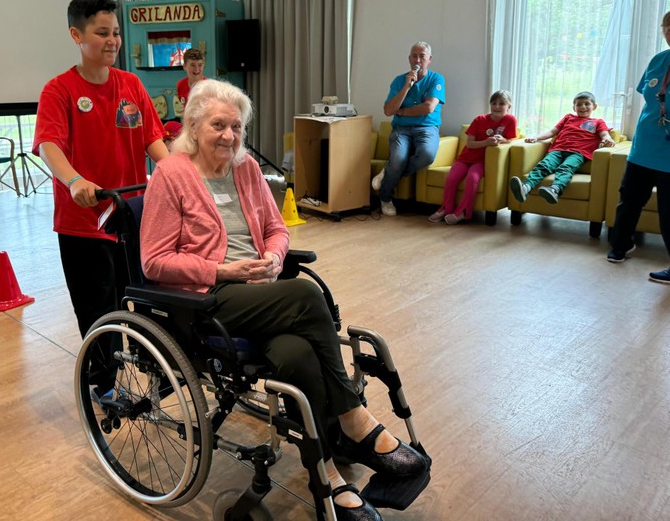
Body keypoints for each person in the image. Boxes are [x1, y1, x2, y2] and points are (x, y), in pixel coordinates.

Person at [141, 79, 428, 521]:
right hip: (210, 298)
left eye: (236, 126)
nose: (229, 136)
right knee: (305, 292)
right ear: (193, 125)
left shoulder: (246, 169)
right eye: (218, 125)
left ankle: (327, 477)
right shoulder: (171, 175)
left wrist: (274, 258)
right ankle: (352, 419)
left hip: (263, 292)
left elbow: (276, 230)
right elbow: (154, 261)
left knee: (296, 355)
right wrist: (221, 270)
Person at [32, 0, 167, 387]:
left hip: (132, 216)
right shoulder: (59, 90)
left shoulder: (131, 84)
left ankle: (155, 366)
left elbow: (152, 139)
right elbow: (49, 145)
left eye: (117, 33)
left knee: (145, 295)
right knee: (98, 308)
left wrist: (177, 171)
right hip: (84, 222)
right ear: (77, 34)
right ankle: (104, 381)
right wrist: (74, 181)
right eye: (102, 33)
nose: (113, 41)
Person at [606, 11, 670, 283]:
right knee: (629, 200)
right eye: (667, 27)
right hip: (643, 148)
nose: (669, 31)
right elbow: (647, 93)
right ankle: (621, 245)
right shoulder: (658, 60)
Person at [372, 42, 445, 216]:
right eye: (414, 56)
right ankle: (385, 198)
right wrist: (407, 86)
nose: (418, 60)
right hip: (401, 129)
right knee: (398, 159)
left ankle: (388, 172)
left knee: (427, 155)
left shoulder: (436, 79)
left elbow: (428, 108)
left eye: (422, 56)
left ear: (429, 59)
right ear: (409, 58)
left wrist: (403, 111)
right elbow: (388, 111)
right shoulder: (399, 81)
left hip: (427, 127)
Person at [509, 91, 615, 205]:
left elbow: (604, 134)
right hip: (558, 150)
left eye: (587, 104)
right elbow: (552, 131)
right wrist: (536, 138)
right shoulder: (568, 118)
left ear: (594, 106)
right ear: (574, 107)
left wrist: (609, 139)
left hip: (578, 153)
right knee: (544, 165)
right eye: (578, 104)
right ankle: (526, 188)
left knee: (565, 168)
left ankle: (554, 190)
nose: (583, 107)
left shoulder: (598, 122)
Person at [429, 90, 517, 225]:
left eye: (502, 104)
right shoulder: (480, 119)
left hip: (481, 161)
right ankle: (446, 208)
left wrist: (503, 139)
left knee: (472, 178)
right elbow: (470, 143)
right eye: (494, 103)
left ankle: (463, 212)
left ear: (509, 106)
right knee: (452, 178)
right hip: (465, 158)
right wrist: (486, 142)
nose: (497, 107)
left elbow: (511, 140)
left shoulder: (510, 120)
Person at [175, 48, 206, 114]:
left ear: (204, 65)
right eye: (193, 65)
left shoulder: (210, 87)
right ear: (184, 66)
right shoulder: (180, 85)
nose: (197, 69)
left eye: (200, 65)